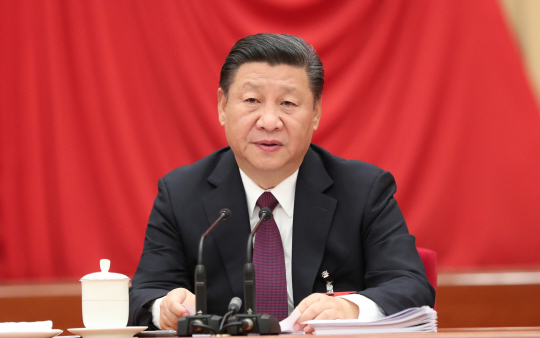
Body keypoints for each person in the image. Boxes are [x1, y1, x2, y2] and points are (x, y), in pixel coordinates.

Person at [128, 33, 435, 332]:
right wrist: (164, 307)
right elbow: (145, 293)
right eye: (252, 100)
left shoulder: (364, 190)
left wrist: (351, 308)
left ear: (315, 112)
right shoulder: (181, 194)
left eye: (288, 103)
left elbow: (411, 286)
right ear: (223, 106)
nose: (269, 121)